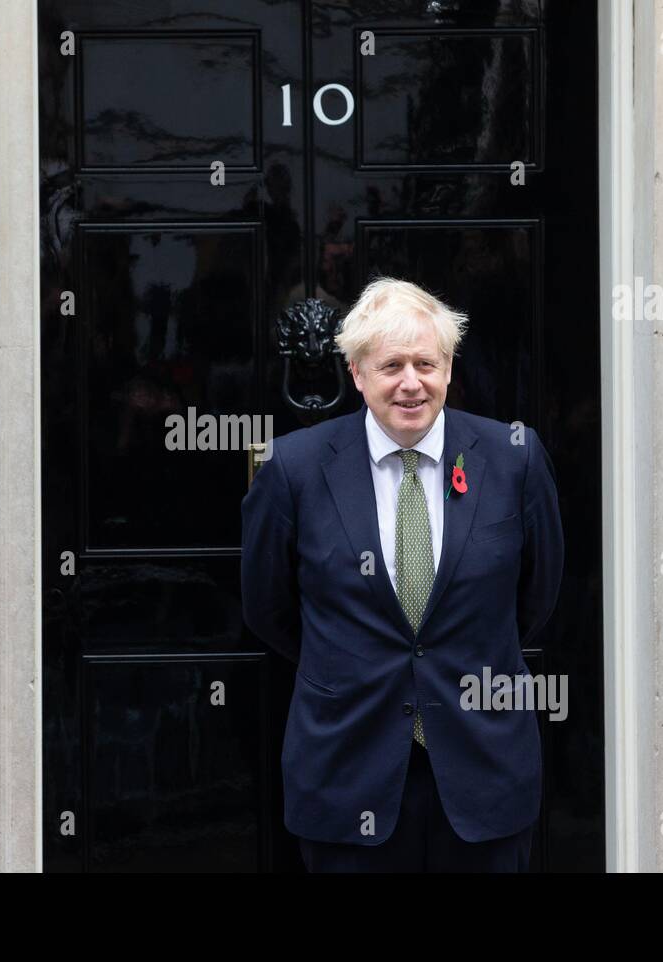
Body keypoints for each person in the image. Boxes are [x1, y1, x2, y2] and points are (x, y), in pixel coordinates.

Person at [241, 277, 564, 872]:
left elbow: (535, 595)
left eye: (426, 363)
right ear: (357, 372)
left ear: (448, 368)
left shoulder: (513, 457)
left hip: (482, 773)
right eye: (391, 365)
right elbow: (269, 608)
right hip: (347, 773)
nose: (411, 382)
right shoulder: (295, 468)